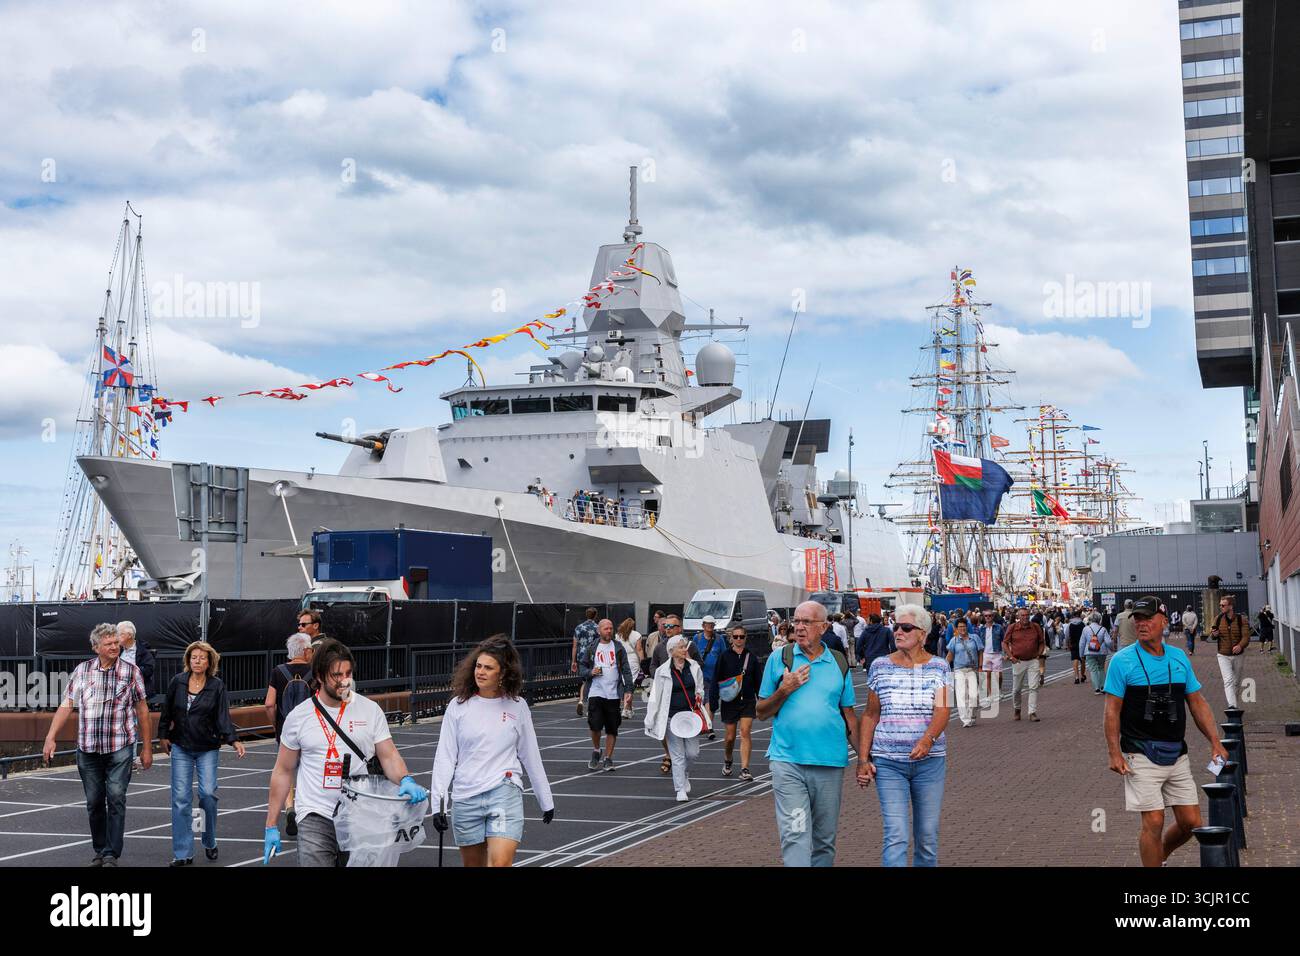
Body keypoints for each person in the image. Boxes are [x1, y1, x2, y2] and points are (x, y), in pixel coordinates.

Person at [264, 639, 428, 866]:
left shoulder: (370, 710)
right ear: (319, 676)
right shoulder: (299, 716)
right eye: (336, 675)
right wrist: (271, 825)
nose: (344, 681)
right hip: (314, 813)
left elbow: (388, 755)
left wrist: (405, 779)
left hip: (359, 814)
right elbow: (283, 770)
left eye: (348, 673)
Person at [1103, 596, 1229, 867]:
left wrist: (1215, 741)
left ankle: (1157, 858)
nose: (1141, 624)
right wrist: (1115, 752)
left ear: (1163, 620)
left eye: (1148, 618)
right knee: (1154, 819)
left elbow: (1197, 703)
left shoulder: (1178, 657)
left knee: (1191, 823)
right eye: (1137, 619)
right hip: (1139, 753)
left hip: (1176, 752)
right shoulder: (1121, 661)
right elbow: (1111, 711)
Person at [430, 636, 555, 867]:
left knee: (499, 864)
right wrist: (437, 803)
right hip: (466, 798)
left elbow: (531, 755)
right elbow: (445, 757)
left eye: (488, 668)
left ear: (503, 674)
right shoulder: (457, 707)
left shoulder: (517, 707)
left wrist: (545, 799)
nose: (481, 672)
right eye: (478, 666)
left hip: (503, 792)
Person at [757, 600, 858, 867]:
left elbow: (849, 716)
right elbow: (761, 711)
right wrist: (784, 689)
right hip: (788, 762)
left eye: (806, 622)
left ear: (823, 627)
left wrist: (865, 759)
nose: (799, 628)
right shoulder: (779, 659)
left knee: (824, 839)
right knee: (796, 833)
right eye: (796, 622)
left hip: (829, 762)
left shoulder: (837, 662)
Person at [42, 623, 152, 866]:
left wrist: (146, 748)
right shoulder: (82, 671)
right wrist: (51, 737)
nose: (115, 646)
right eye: (109, 644)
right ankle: (100, 850)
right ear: (96, 648)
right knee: (93, 802)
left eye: (116, 642)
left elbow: (142, 711)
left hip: (120, 746)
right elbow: (66, 705)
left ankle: (112, 852)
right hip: (88, 748)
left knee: (115, 796)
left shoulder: (131, 672)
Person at [858, 604, 952, 866]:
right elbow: (870, 714)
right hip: (888, 763)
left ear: (922, 634)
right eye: (896, 626)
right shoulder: (880, 666)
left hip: (929, 763)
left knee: (927, 835)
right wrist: (863, 759)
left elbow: (943, 710)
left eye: (906, 627)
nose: (898, 631)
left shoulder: (939, 667)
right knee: (896, 834)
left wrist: (927, 739)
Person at [158, 640, 246, 865]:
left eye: (202, 658)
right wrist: (163, 736)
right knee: (180, 799)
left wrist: (233, 740)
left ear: (210, 662)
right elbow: (166, 711)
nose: (197, 661)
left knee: (207, 795)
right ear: (188, 660)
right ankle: (183, 853)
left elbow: (222, 716)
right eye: (194, 657)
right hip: (181, 746)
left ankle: (209, 839)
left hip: (207, 747)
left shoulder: (216, 685)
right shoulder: (177, 682)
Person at [644, 634, 711, 801]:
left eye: (684, 646)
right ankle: (680, 789)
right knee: (678, 755)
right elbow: (655, 696)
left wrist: (699, 697)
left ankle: (685, 773)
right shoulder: (662, 671)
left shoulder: (694, 666)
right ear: (671, 651)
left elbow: (700, 688)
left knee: (693, 753)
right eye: (681, 647)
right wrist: (650, 718)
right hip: (671, 717)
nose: (684, 649)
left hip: (690, 717)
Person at [265, 632, 314, 837]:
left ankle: (289, 807)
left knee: (286, 771)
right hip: (312, 729)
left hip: (286, 730)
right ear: (306, 651)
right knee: (309, 770)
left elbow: (269, 704)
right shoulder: (315, 671)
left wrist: (276, 725)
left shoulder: (278, 671)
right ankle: (307, 811)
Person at [578, 618, 634, 771]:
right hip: (596, 692)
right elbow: (582, 666)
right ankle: (596, 750)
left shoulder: (618, 647)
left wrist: (629, 690)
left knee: (612, 727)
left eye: (611, 628)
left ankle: (608, 758)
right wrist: (590, 672)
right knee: (595, 725)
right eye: (606, 629)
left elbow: (626, 670)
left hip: (613, 694)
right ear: (599, 631)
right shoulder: (592, 648)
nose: (609, 631)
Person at [713, 624, 761, 780]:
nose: (738, 639)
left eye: (741, 636)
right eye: (735, 636)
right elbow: (716, 679)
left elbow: (758, 682)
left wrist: (761, 701)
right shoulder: (724, 656)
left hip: (747, 701)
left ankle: (745, 768)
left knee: (745, 732)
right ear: (731, 638)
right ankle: (728, 760)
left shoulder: (752, 657)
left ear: (746, 638)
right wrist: (713, 703)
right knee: (730, 737)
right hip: (729, 702)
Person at [1003, 607, 1045, 722]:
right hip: (1018, 661)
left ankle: (1032, 712)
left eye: (1027, 615)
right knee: (1016, 689)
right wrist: (1011, 656)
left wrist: (1039, 654)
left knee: (1033, 687)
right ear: (1018, 616)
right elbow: (1005, 643)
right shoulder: (1012, 628)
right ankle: (1017, 709)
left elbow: (1042, 642)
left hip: (1033, 660)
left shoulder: (1035, 627)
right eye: (1022, 615)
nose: (1025, 617)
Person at [1209, 594, 1251, 710]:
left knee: (1236, 682)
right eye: (1220, 605)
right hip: (1223, 655)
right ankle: (1232, 708)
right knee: (1228, 681)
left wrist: (1240, 645)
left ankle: (1234, 704)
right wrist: (1214, 634)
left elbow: (1246, 637)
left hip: (1238, 655)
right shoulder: (1217, 619)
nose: (1221, 607)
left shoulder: (1241, 619)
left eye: (1223, 605)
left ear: (1231, 606)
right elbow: (1212, 635)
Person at [944, 618, 981, 727]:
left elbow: (980, 652)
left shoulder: (974, 638)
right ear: (956, 628)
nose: (962, 628)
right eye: (960, 627)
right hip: (959, 670)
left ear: (967, 627)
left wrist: (981, 666)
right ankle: (966, 720)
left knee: (974, 695)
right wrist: (943, 667)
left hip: (972, 670)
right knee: (961, 695)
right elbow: (950, 655)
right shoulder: (954, 640)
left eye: (963, 626)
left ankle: (972, 716)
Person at [694, 615, 726, 736]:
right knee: (706, 699)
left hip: (715, 675)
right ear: (703, 626)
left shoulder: (719, 639)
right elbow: (693, 654)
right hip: (702, 674)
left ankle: (708, 725)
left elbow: (723, 655)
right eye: (707, 625)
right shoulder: (697, 638)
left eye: (712, 625)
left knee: (711, 702)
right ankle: (709, 727)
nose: (710, 627)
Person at [570, 607, 600, 717]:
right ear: (595, 615)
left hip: (581, 655)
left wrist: (573, 661)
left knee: (585, 681)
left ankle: (581, 700)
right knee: (593, 681)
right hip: (593, 655)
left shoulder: (579, 627)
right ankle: (589, 706)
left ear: (586, 615)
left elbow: (574, 645)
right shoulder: (597, 628)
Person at [977, 609, 1004, 709]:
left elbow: (1003, 640)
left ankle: (999, 689)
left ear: (993, 617)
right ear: (984, 617)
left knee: (998, 675)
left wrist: (1005, 653)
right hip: (986, 653)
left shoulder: (999, 627)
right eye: (986, 616)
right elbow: (979, 642)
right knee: (988, 675)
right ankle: (990, 694)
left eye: (990, 616)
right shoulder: (981, 629)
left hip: (996, 653)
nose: (988, 618)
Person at [616, 617, 643, 713]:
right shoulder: (636, 635)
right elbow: (639, 649)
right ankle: (626, 707)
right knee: (630, 683)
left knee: (623, 683)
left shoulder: (618, 635)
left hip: (621, 659)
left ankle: (628, 707)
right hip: (633, 659)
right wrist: (642, 661)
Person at [1080, 612, 1112, 693]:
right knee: (1101, 668)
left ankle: (1096, 688)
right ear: (1099, 619)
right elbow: (1108, 642)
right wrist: (1111, 649)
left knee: (1093, 669)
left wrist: (1081, 654)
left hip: (1089, 652)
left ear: (1090, 619)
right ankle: (1103, 686)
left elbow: (1082, 643)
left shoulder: (1085, 629)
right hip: (1101, 652)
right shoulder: (1103, 629)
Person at [1067, 608, 1086, 684]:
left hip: (1073, 643)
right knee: (1082, 660)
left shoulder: (1070, 625)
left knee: (1075, 659)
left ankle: (1076, 677)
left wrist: (1068, 643)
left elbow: (1067, 635)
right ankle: (1082, 676)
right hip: (1082, 644)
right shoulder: (1082, 624)